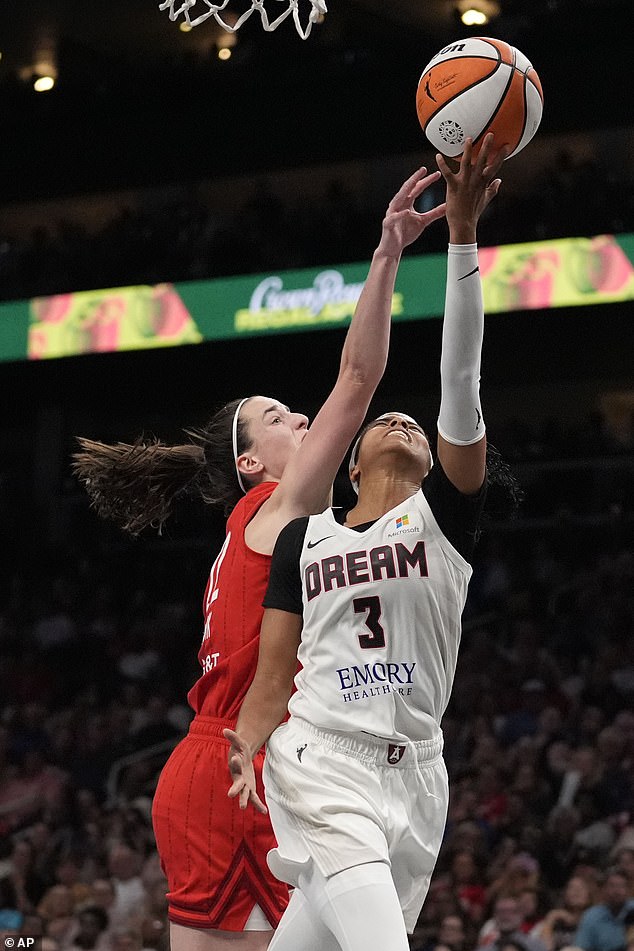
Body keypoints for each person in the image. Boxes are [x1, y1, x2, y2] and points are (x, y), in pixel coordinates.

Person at [72, 165, 448, 951]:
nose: (300, 415)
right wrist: (386, 256)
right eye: (277, 416)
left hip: (244, 762)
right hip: (237, 763)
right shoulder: (279, 505)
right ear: (251, 462)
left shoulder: (274, 523)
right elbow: (358, 378)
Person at [224, 135, 511, 951]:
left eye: (416, 425)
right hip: (323, 757)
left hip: (419, 777)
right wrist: (245, 747)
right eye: (389, 421)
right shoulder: (304, 538)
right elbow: (275, 673)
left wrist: (462, 235)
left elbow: (462, 378)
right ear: (349, 465)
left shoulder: (444, 519)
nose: (405, 419)